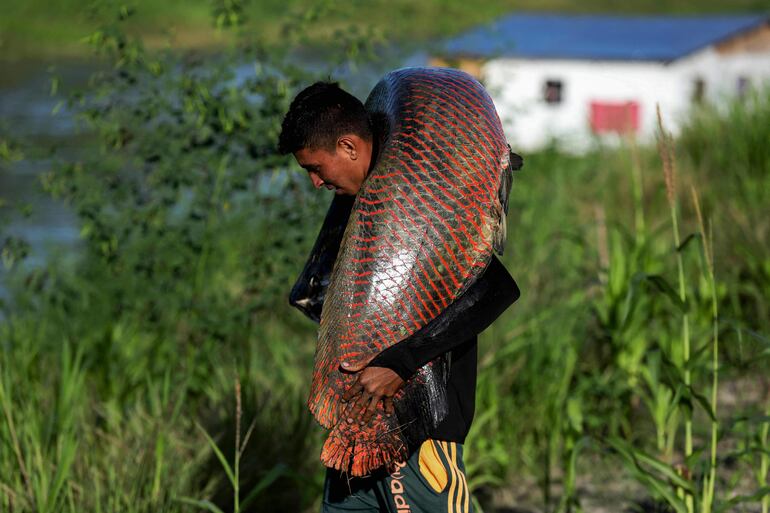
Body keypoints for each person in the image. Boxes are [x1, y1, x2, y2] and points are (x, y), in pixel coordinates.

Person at [279, 81, 520, 513]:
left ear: (350, 147)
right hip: (354, 433)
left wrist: (400, 362)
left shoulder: (424, 199)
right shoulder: (360, 200)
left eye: (316, 168)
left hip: (418, 432)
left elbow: (494, 289)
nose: (315, 182)